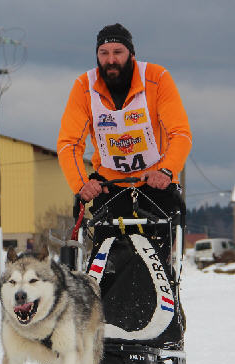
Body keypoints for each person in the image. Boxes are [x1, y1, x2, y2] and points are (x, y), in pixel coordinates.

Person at [57, 23, 192, 257]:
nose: (111, 60)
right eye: (104, 53)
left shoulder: (157, 78)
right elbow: (69, 143)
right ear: (97, 56)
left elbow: (180, 133)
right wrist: (81, 184)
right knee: (107, 265)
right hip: (109, 187)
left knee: (154, 260)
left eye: (118, 52)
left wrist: (167, 171)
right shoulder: (83, 87)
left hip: (155, 183)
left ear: (131, 54)